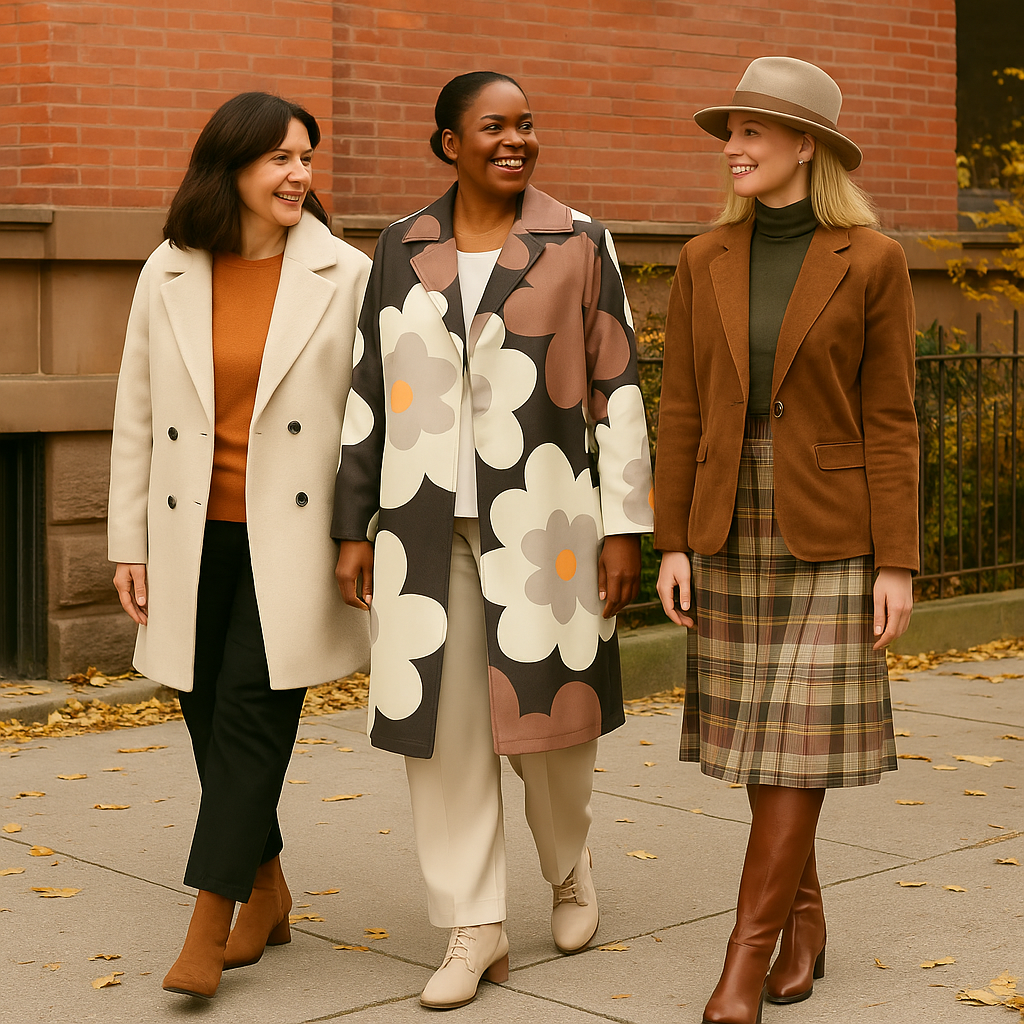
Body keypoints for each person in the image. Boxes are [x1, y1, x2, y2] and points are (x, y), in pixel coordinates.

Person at [333, 71, 653, 1010]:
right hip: (422, 529)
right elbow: (366, 389)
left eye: (525, 125)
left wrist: (625, 525)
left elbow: (618, 387)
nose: (515, 140)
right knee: (444, 732)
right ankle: (473, 925)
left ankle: (566, 863)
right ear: (449, 143)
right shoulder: (401, 246)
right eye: (493, 126)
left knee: (549, 725)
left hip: (548, 528)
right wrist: (353, 525)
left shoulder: (578, 241)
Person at [654, 57, 918, 1024]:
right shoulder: (703, 258)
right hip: (728, 519)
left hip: (833, 528)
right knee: (764, 742)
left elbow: (892, 419)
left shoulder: (873, 259)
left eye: (751, 132)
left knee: (795, 737)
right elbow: (680, 407)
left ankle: (744, 960)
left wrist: (898, 560)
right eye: (730, 132)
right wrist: (673, 540)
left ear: (805, 145)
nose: (732, 147)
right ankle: (803, 921)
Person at [107, 91, 371, 1000]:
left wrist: (358, 531)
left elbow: (367, 423)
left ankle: (208, 923)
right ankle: (267, 886)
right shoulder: (169, 269)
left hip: (290, 539)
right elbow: (135, 410)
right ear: (231, 169)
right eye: (280, 159)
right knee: (205, 712)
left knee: (253, 715)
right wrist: (128, 540)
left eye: (306, 158)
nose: (300, 175)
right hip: (188, 532)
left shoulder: (345, 273)